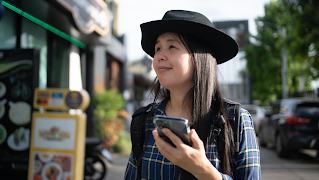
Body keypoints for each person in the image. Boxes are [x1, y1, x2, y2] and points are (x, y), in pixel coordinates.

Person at [125, 10, 261, 180]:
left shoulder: (235, 120)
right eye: (157, 48)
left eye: (172, 46)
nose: (159, 56)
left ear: (200, 57)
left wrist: (203, 170)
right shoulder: (144, 122)